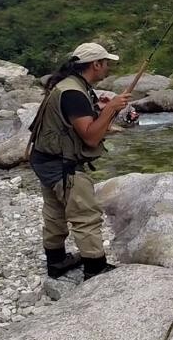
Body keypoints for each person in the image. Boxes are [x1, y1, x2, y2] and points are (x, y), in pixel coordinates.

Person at [27, 43, 132, 280]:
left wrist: (99, 109)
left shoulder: (69, 86)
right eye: (106, 63)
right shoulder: (74, 93)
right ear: (96, 64)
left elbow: (72, 122)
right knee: (85, 215)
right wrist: (111, 109)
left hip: (44, 159)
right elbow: (92, 137)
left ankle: (56, 262)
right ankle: (95, 268)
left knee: (54, 212)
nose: (107, 68)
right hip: (63, 163)